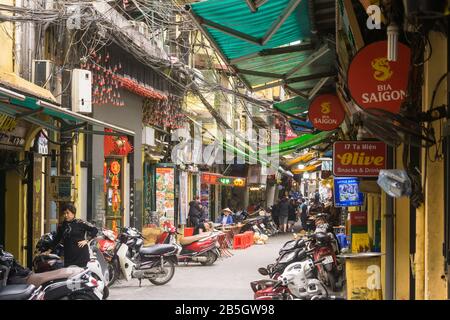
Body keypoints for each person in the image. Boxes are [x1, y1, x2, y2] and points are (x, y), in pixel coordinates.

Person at [50, 203, 98, 268]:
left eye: (67, 213)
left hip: (81, 256)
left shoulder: (80, 222)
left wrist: (86, 240)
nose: (65, 215)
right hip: (68, 257)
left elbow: (94, 230)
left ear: (73, 213)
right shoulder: (61, 226)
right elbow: (57, 239)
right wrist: (49, 250)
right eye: (64, 213)